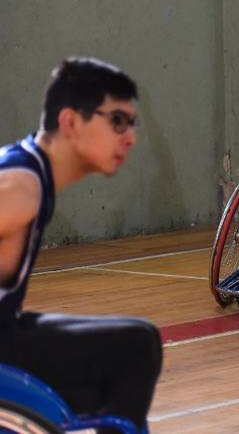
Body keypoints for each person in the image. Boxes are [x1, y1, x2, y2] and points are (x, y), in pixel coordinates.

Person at [0, 57, 162, 430]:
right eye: (117, 121)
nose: (131, 138)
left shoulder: (30, 172)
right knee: (134, 348)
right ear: (70, 121)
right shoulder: (21, 187)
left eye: (132, 124)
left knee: (132, 346)